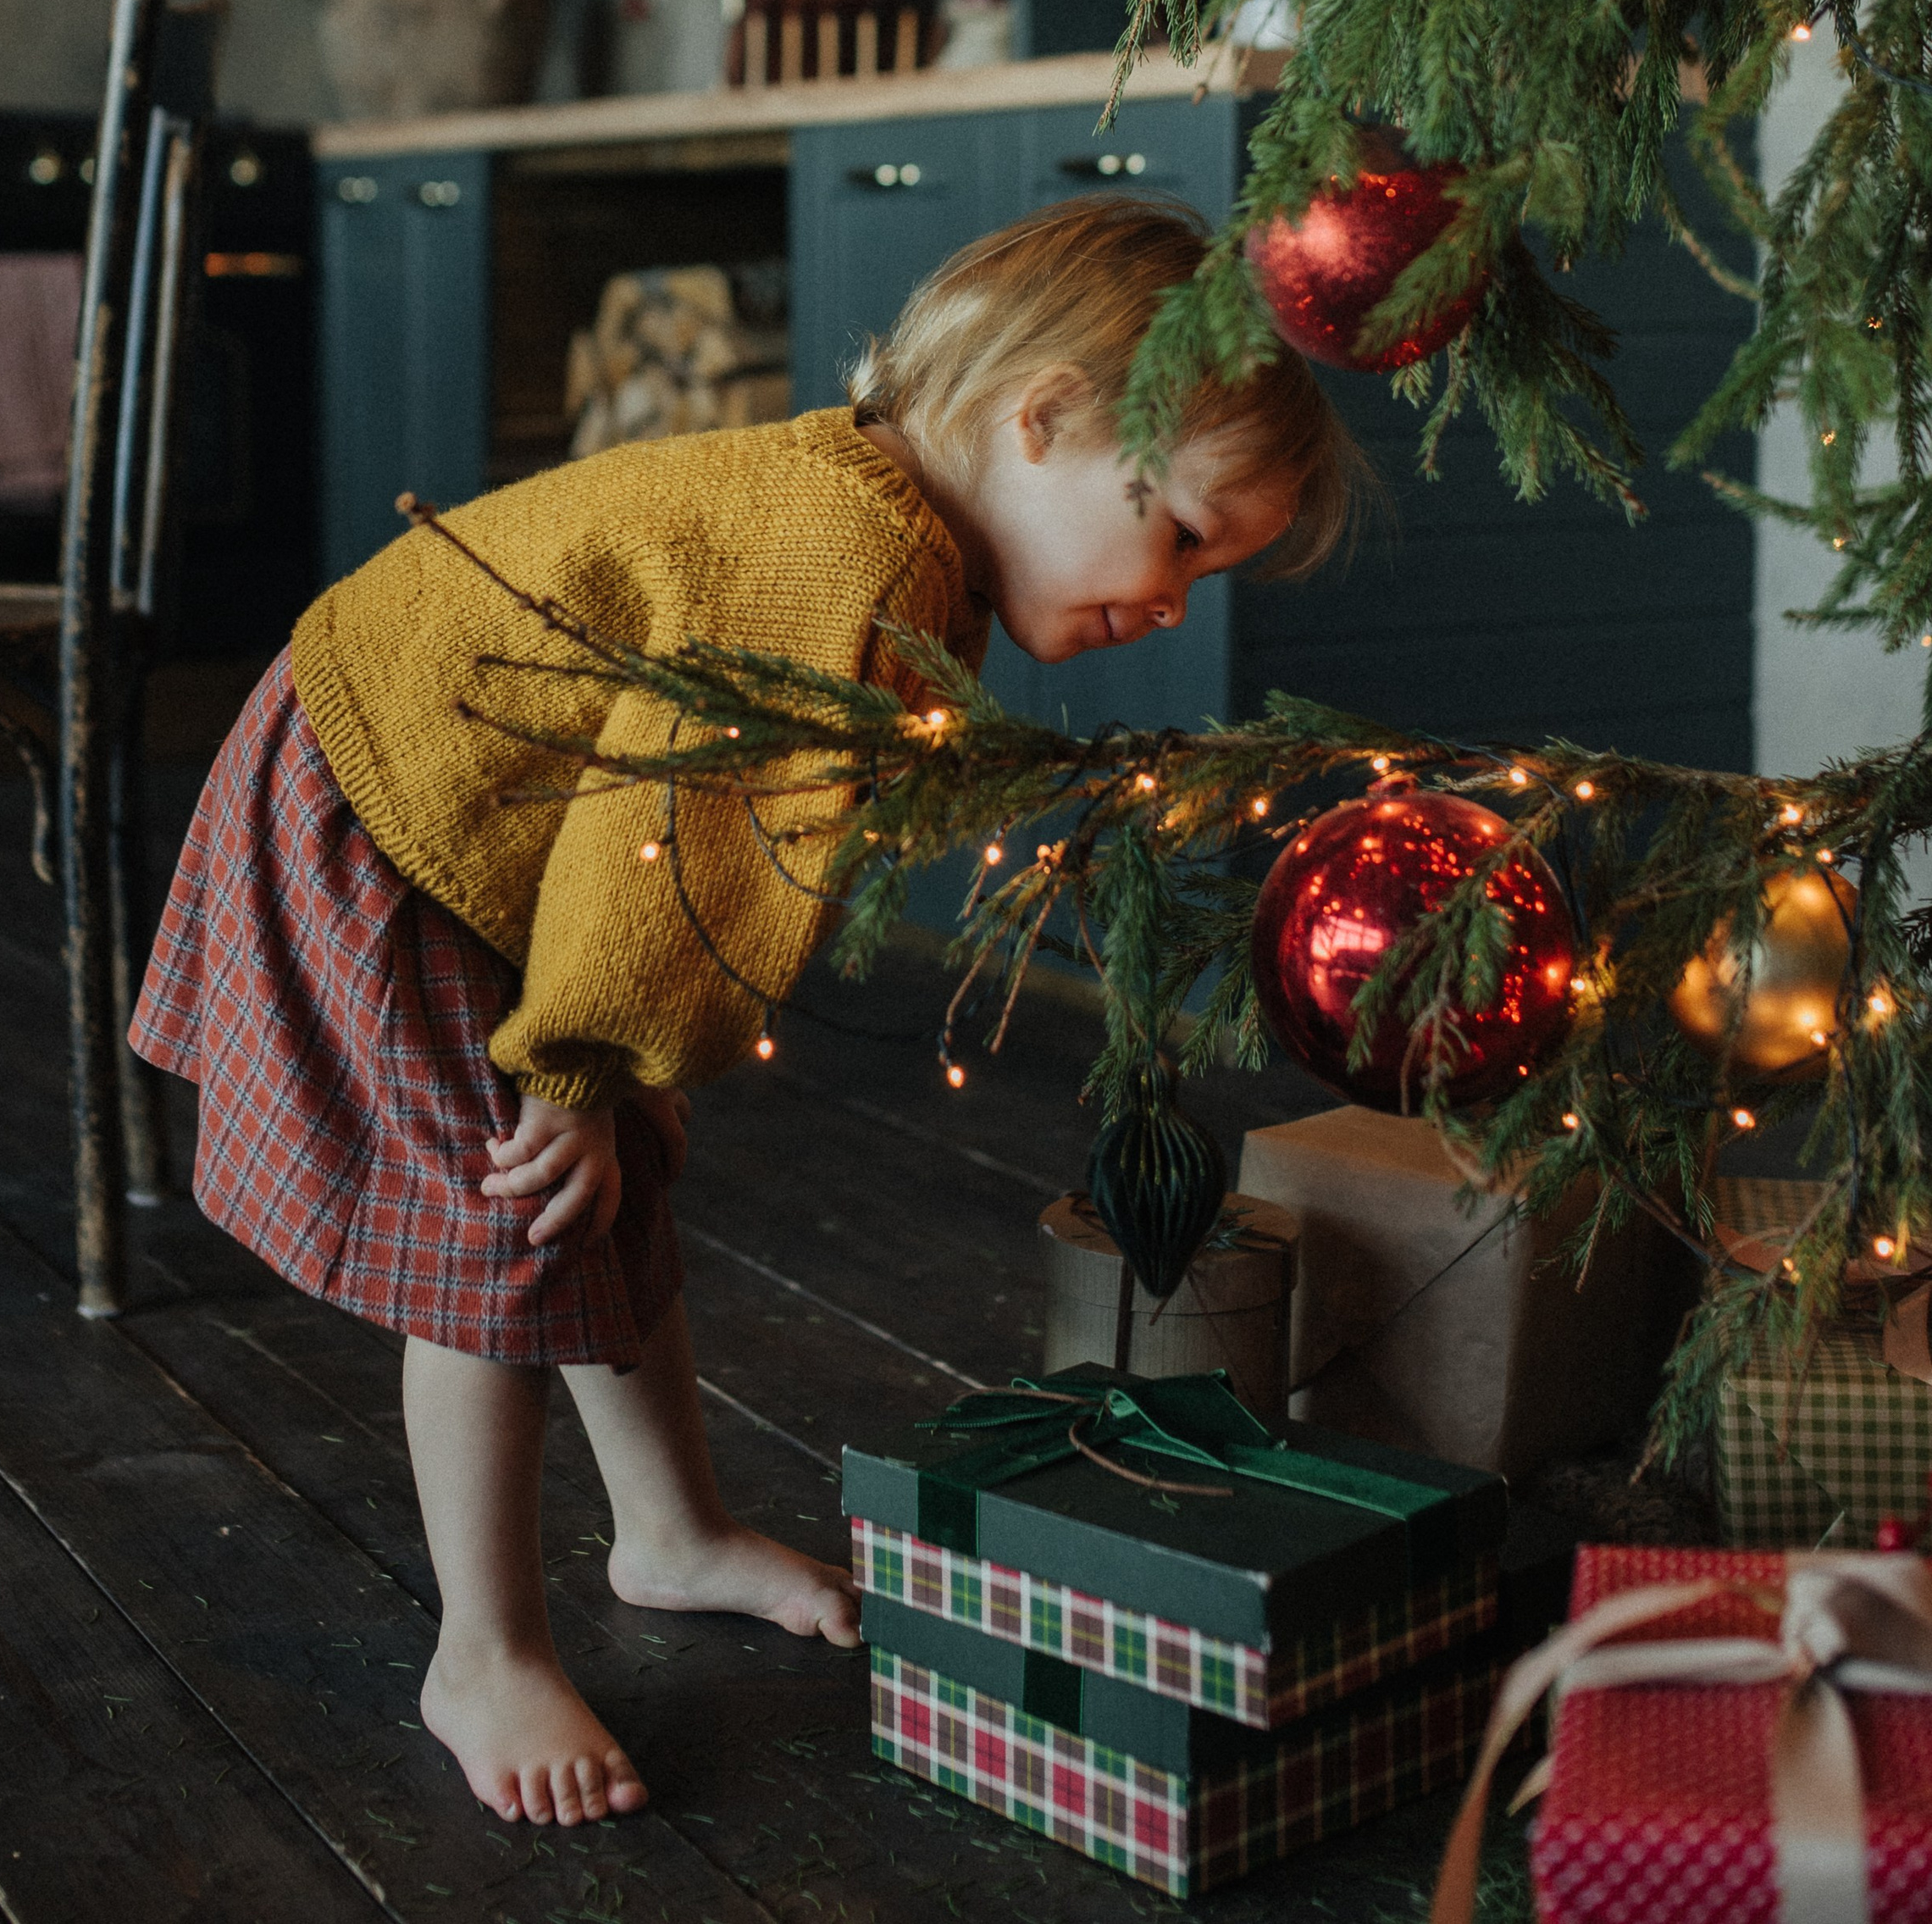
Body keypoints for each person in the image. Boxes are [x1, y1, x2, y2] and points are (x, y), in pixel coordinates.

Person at [130, 195, 1364, 1834]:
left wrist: (621, 1074)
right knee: (498, 1214)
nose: (1177, 596)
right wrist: (576, 1060)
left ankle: (669, 1530)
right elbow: (678, 835)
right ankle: (482, 1651)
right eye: (1181, 530)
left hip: (499, 817)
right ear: (1040, 419)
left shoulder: (888, 518)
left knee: (608, 1170)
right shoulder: (851, 562)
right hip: (396, 801)